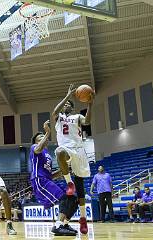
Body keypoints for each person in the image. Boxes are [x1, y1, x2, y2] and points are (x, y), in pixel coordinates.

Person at [52, 84, 94, 234]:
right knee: (59, 152)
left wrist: (90, 103)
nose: (67, 106)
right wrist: (68, 96)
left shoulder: (77, 117)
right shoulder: (59, 117)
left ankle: (83, 219)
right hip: (66, 148)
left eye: (70, 104)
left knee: (81, 187)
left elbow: (87, 122)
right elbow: (54, 111)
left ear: (73, 108)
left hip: (79, 150)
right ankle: (69, 182)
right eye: (65, 104)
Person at [29, 120, 79, 236]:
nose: (43, 138)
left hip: (46, 179)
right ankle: (57, 227)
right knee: (64, 197)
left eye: (44, 136)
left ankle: (65, 224)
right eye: (40, 137)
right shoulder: (34, 147)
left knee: (73, 198)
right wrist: (47, 132)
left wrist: (63, 171)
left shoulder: (47, 154)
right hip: (39, 180)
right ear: (36, 141)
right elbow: (38, 148)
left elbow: (50, 174)